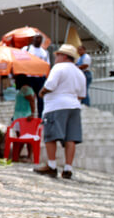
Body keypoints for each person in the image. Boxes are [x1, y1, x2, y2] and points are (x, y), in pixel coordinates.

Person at [33, 44, 86, 179]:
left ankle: (51, 166)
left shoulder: (58, 67)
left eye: (57, 55)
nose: (55, 57)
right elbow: (82, 95)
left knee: (51, 136)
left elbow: (50, 85)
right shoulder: (79, 72)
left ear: (64, 56)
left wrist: (42, 92)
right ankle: (68, 168)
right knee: (71, 138)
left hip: (56, 106)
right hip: (74, 106)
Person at [23, 33, 50, 116]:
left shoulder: (44, 52)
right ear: (32, 39)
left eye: (39, 38)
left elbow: (47, 64)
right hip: (29, 77)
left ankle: (40, 116)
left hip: (40, 77)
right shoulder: (26, 49)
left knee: (40, 98)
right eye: (36, 38)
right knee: (28, 97)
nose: (37, 40)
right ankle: (28, 115)